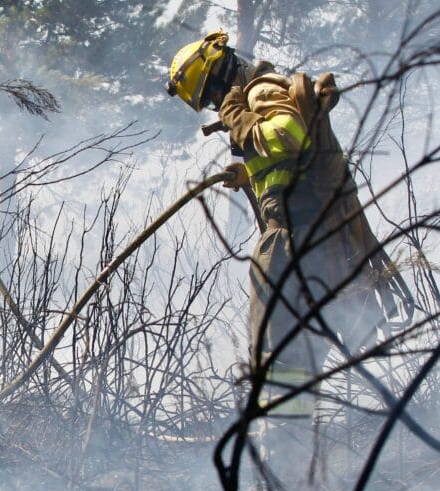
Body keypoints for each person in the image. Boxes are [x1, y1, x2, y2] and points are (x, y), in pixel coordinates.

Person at [165, 31, 405, 429]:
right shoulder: (257, 95)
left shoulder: (259, 92)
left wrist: (239, 118)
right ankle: (292, 434)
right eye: (208, 103)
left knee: (278, 357)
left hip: (292, 241)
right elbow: (293, 162)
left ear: (224, 75)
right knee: (299, 353)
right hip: (312, 239)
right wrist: (249, 174)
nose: (215, 106)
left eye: (212, 95)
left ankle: (281, 439)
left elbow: (287, 135)